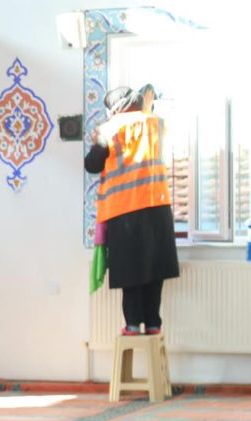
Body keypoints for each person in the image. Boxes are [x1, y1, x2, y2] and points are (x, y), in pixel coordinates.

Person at [85, 83, 179, 335]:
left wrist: (98, 141)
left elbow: (92, 165)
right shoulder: (156, 123)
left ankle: (132, 324)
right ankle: (153, 323)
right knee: (153, 268)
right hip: (157, 207)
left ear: (114, 109)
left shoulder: (109, 129)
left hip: (124, 210)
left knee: (131, 271)